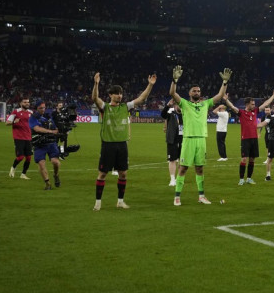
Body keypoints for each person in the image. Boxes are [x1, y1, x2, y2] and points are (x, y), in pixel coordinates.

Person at [92, 72, 157, 211]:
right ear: (110, 95)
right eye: (117, 93)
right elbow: (95, 98)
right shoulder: (105, 108)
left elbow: (141, 98)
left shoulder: (125, 107)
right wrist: (96, 84)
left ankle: (120, 201)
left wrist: (150, 85)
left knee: (123, 173)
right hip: (108, 145)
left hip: (122, 145)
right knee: (103, 174)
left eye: (121, 93)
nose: (120, 96)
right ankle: (98, 202)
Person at [168, 65, 230, 206]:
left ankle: (201, 196)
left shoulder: (205, 104)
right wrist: (174, 80)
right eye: (194, 90)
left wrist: (224, 83)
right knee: (183, 168)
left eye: (199, 90)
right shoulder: (184, 103)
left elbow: (220, 96)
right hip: (189, 140)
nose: (197, 92)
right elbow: (172, 93)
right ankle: (177, 197)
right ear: (190, 93)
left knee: (200, 168)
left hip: (201, 140)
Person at [224, 88, 274, 186]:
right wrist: (226, 100)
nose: (254, 105)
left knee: (252, 159)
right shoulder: (241, 112)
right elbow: (232, 107)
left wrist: (273, 96)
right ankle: (241, 179)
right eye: (252, 104)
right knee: (244, 159)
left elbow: (265, 104)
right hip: (245, 139)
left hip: (254, 139)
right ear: (247, 104)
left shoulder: (255, 111)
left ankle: (249, 178)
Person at [28, 100, 61, 191]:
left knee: (56, 162)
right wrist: (51, 131)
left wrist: (59, 130)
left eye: (44, 107)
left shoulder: (48, 116)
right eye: (40, 108)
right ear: (36, 108)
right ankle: (48, 184)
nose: (43, 109)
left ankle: (56, 175)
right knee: (41, 164)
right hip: (39, 144)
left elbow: (55, 127)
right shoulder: (33, 118)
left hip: (51, 143)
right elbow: (37, 128)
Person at [7, 97, 33, 179]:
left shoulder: (31, 112)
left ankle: (23, 174)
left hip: (28, 137)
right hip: (18, 137)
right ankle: (13, 168)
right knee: (21, 157)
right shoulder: (16, 112)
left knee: (28, 158)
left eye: (28, 102)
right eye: (25, 102)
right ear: (21, 103)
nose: (27, 104)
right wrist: (14, 122)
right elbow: (7, 123)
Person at [161, 99, 183, 186]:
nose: (180, 107)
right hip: (172, 139)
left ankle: (179, 178)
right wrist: (167, 105)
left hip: (184, 140)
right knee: (172, 160)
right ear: (175, 105)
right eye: (178, 105)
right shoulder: (171, 113)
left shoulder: (187, 113)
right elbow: (163, 115)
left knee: (182, 161)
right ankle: (172, 179)